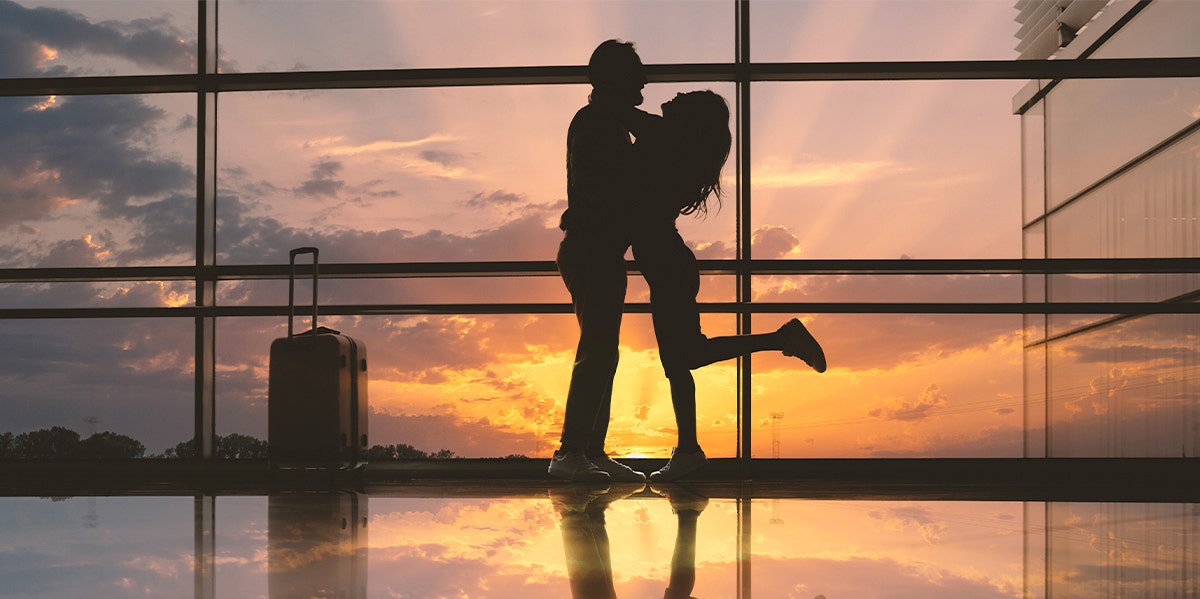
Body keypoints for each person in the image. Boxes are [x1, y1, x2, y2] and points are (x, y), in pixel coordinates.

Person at [625, 91, 827, 482]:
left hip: (667, 263)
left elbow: (617, 112)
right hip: (668, 261)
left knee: (684, 357)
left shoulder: (665, 139)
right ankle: (688, 451)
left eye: (686, 97)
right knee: (677, 360)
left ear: (689, 120)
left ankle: (781, 338)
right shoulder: (676, 146)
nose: (676, 93)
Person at [548, 40, 650, 482]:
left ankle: (589, 449)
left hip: (595, 249)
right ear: (615, 79)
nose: (645, 80)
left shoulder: (602, 121)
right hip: (593, 249)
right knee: (598, 350)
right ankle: (572, 450)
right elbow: (614, 187)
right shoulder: (599, 123)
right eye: (637, 73)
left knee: (603, 351)